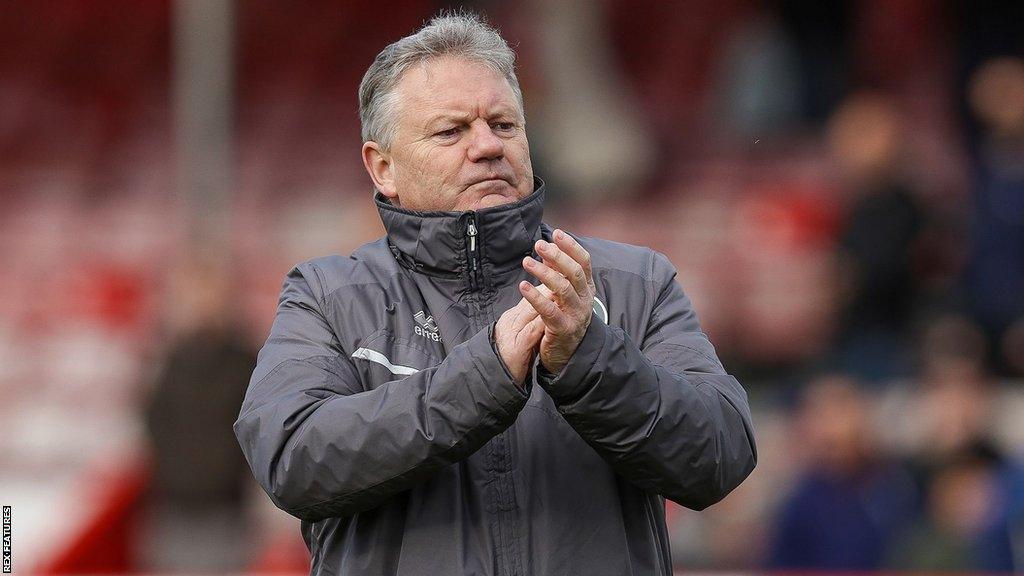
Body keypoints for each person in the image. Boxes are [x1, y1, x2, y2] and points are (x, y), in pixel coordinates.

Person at [234, 13, 757, 576]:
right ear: (382, 167)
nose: (486, 146)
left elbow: (720, 456)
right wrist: (486, 376)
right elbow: (292, 460)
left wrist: (590, 361)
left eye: (504, 124)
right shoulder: (327, 296)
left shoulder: (635, 283)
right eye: (451, 131)